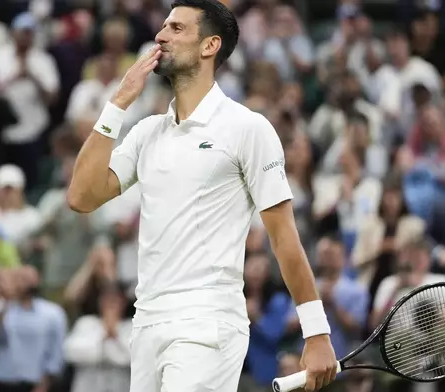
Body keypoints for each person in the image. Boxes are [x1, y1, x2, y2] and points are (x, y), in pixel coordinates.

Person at [66, 1, 337, 391]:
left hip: (207, 323)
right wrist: (118, 102)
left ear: (210, 46)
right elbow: (81, 195)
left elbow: (284, 238)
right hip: (145, 325)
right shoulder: (146, 132)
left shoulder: (248, 128)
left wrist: (316, 333)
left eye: (176, 29)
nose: (160, 36)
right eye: (162, 27)